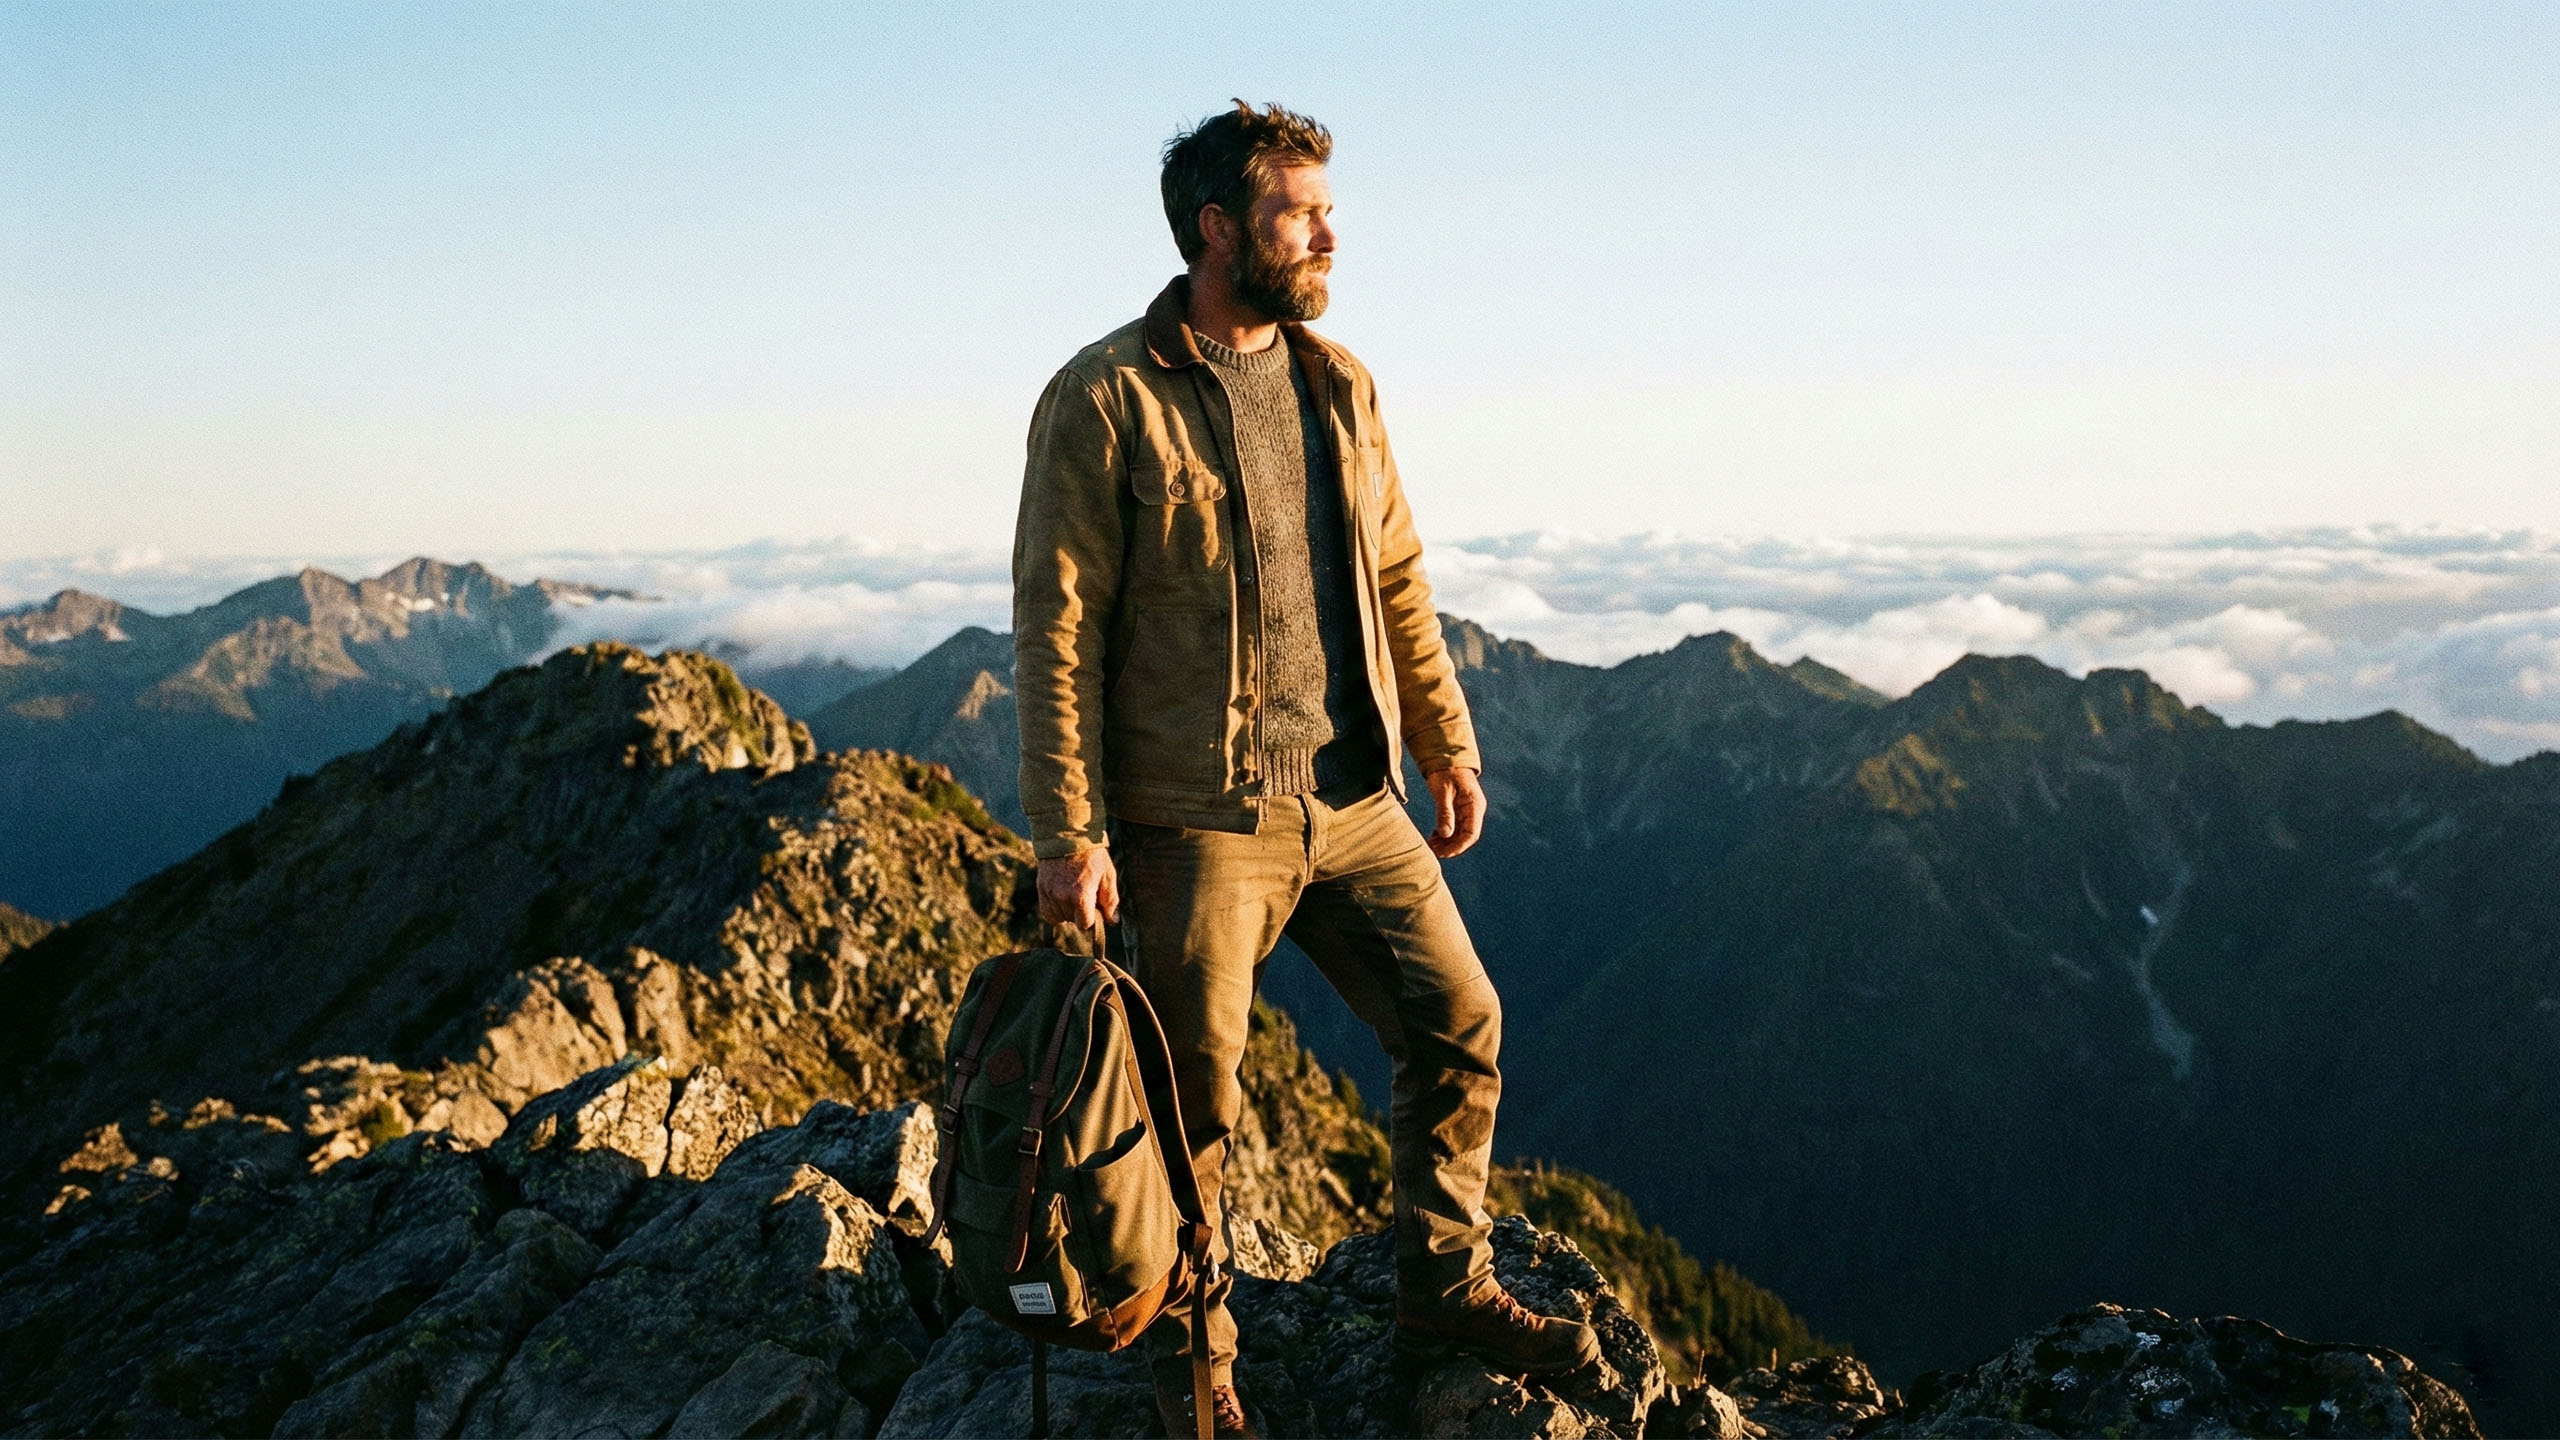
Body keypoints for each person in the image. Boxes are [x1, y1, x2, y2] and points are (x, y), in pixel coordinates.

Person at [1011, 100, 1600, 1438]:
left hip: (1355, 800)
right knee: (1189, 1112)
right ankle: (1197, 1372)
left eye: (1327, 209)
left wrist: (1444, 742)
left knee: (1461, 1025)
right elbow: (1056, 624)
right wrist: (1067, 833)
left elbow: (1397, 573)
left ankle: (1444, 1284)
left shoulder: (1341, 382)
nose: (1330, 233)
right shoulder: (1106, 397)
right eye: (1299, 211)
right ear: (1220, 228)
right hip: (1196, 822)